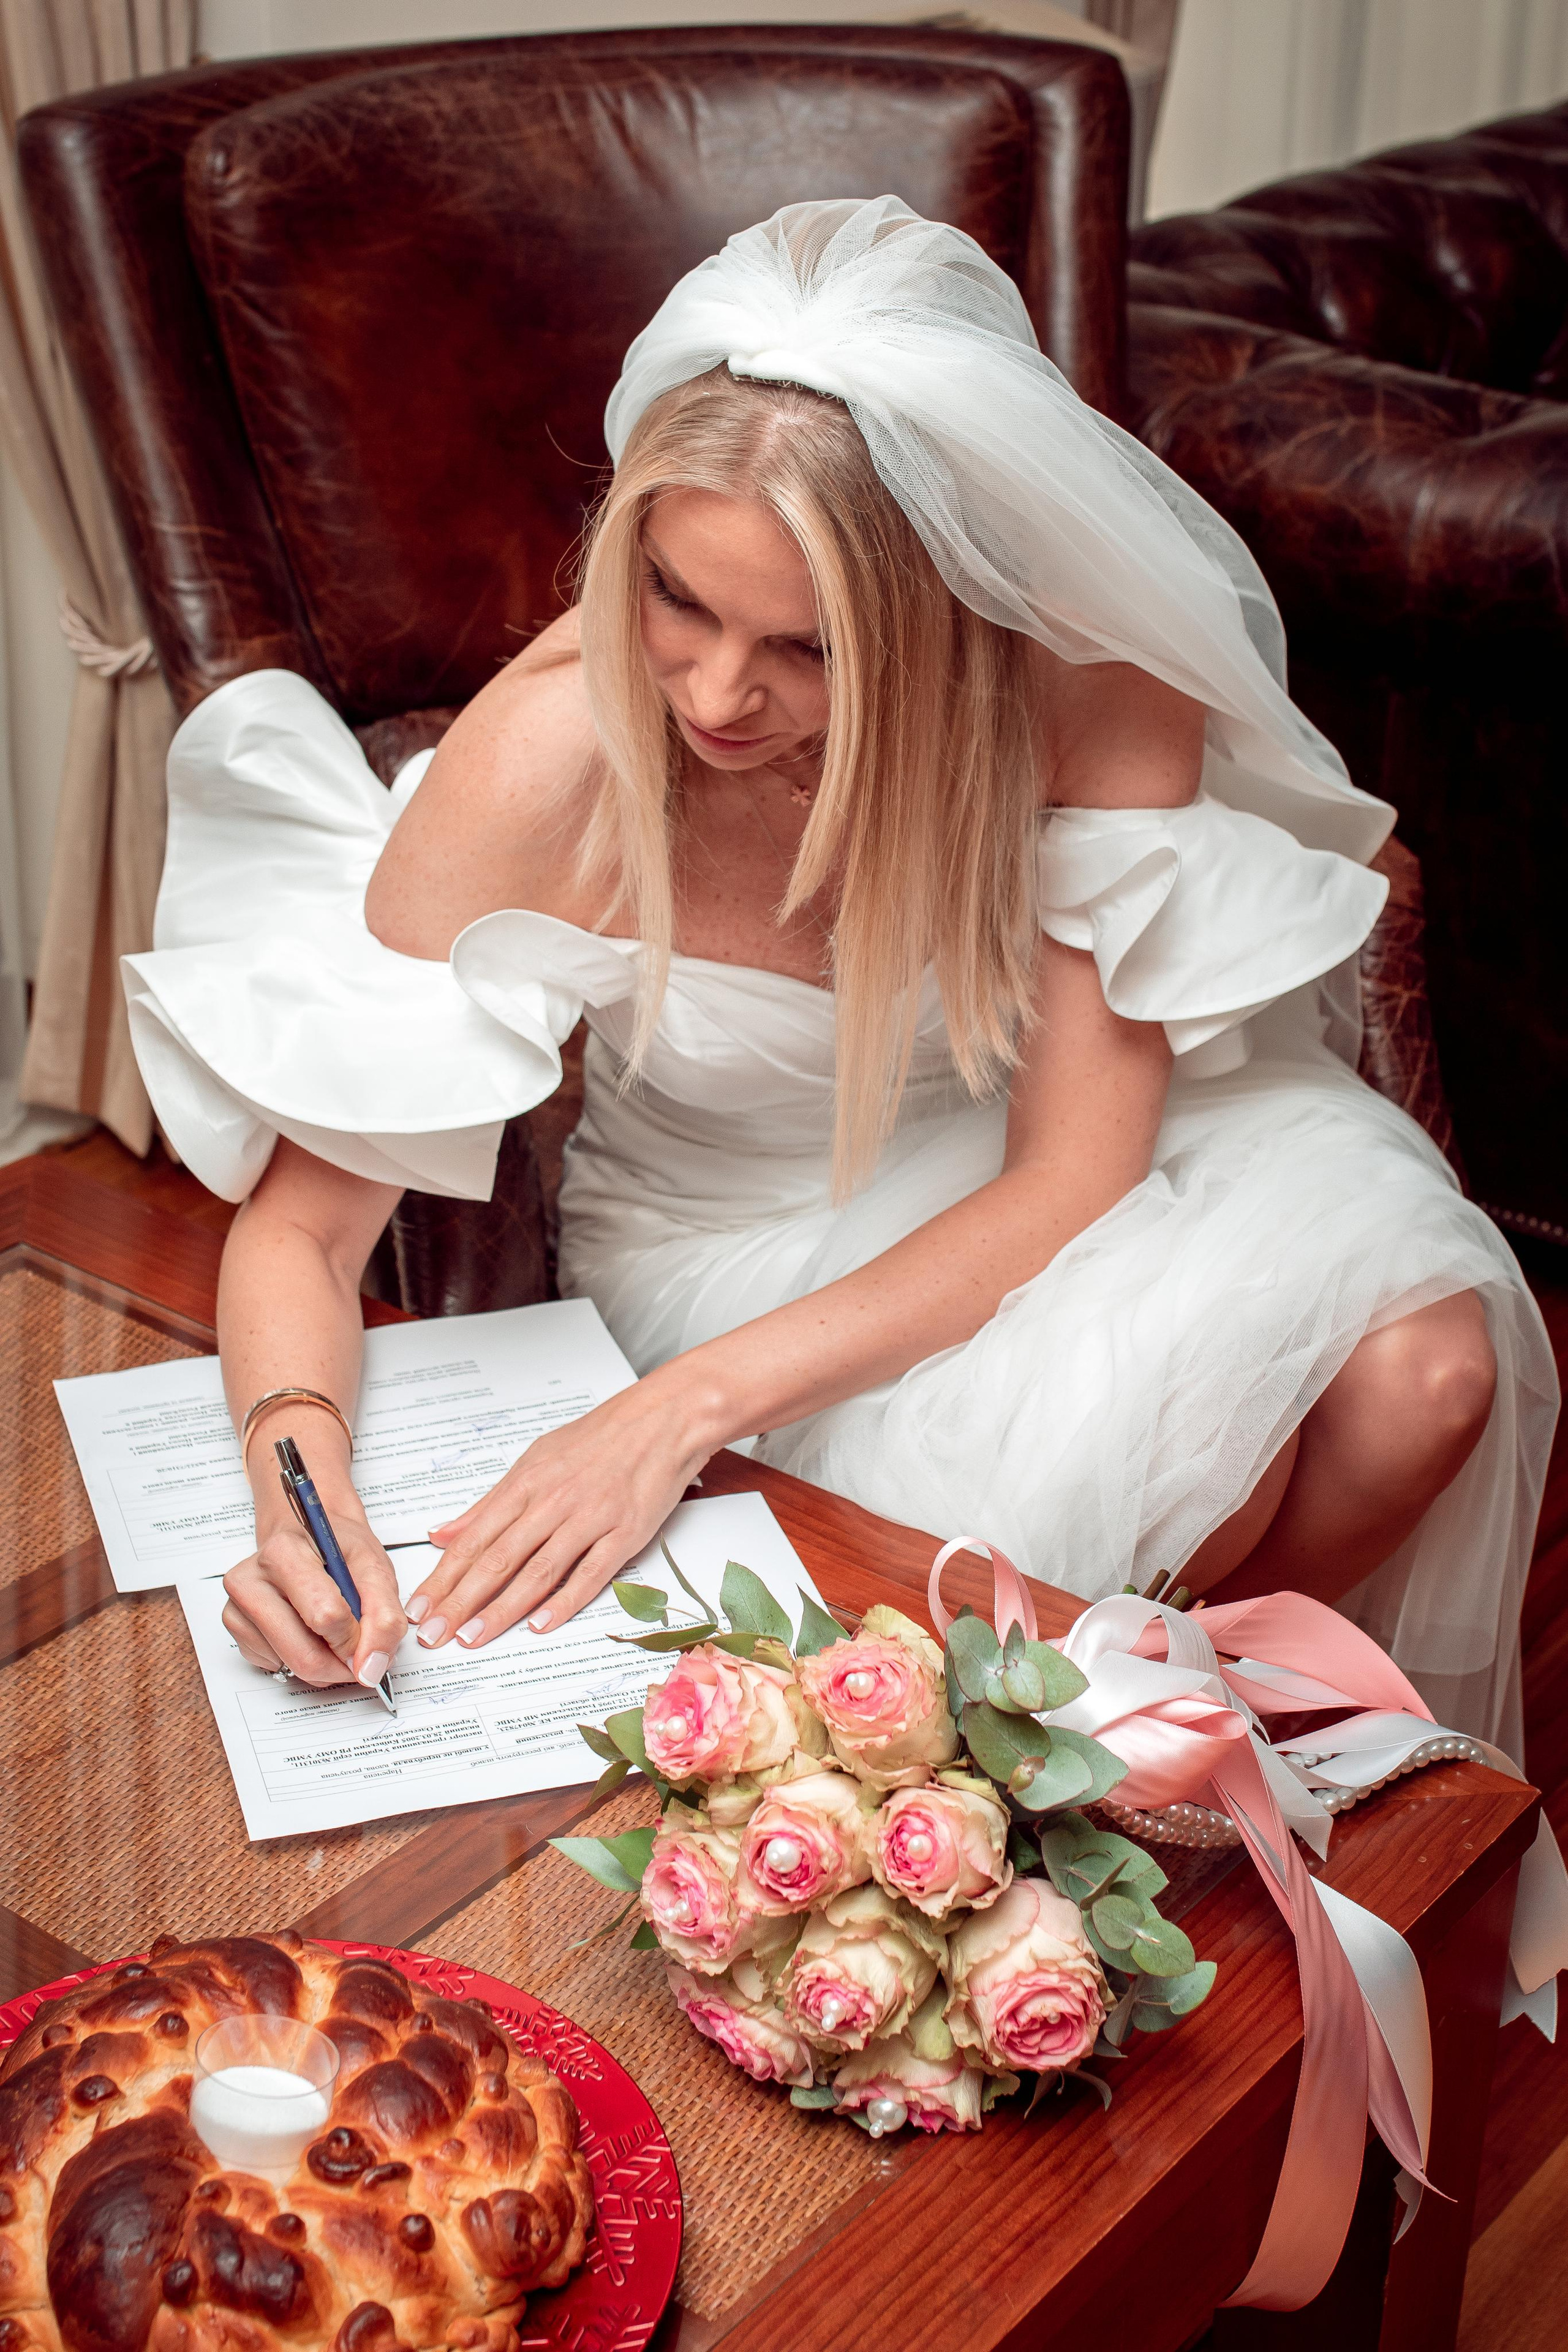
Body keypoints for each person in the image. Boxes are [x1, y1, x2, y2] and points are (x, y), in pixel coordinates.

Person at [124, 198, 1556, 1753]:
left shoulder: (1088, 698)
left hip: (1034, 1169)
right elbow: (305, 1236)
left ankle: (1142, 1734)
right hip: (728, 1244)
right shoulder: (549, 762)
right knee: (1191, 1450)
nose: (718, 694)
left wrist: (677, 1419)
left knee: (1425, 1375)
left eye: (808, 650)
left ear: (944, 612)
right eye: (676, 599)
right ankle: (1099, 1729)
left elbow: (1074, 1167)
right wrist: (293, 1478)